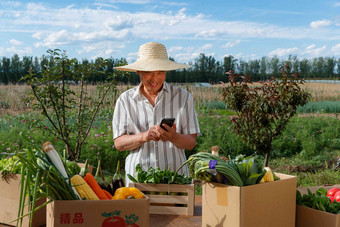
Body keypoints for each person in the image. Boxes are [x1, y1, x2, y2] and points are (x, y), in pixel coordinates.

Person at [112, 42, 200, 186]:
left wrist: (173, 136)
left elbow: (191, 143)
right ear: (138, 72)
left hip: (176, 179)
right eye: (149, 72)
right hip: (137, 181)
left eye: (160, 72)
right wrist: (144, 136)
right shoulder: (125, 100)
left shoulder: (183, 97)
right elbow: (119, 144)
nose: (155, 79)